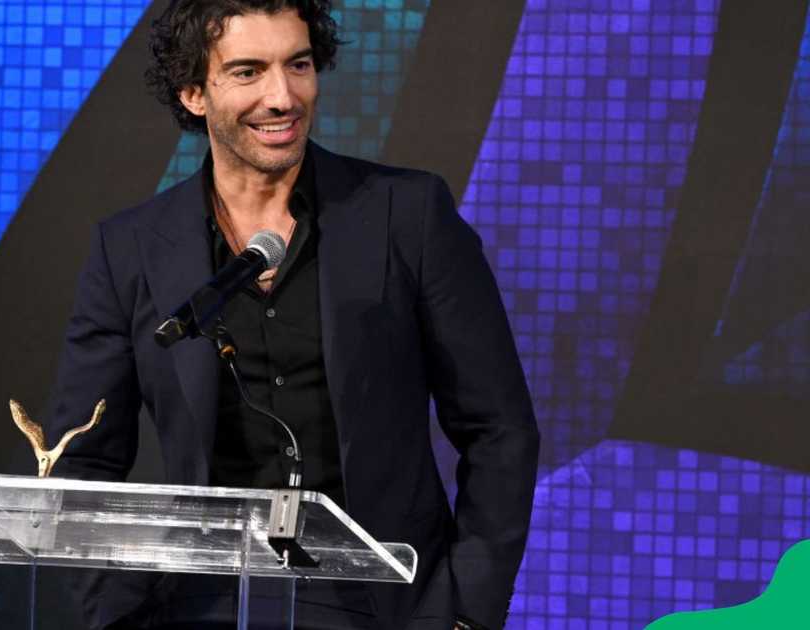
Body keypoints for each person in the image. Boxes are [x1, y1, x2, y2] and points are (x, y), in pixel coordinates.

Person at [46, 0, 540, 628]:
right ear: (194, 93)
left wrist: (464, 613)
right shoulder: (131, 249)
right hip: (201, 608)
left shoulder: (408, 215)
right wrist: (120, 619)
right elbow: (82, 459)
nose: (283, 97)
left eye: (299, 65)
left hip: (383, 605)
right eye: (248, 72)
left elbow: (500, 430)